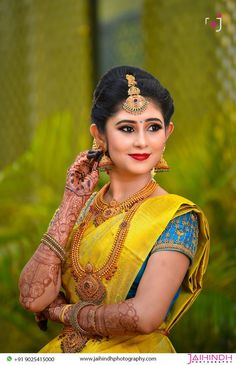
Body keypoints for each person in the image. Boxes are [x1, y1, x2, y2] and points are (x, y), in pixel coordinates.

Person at [18, 65, 210, 353]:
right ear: (100, 135)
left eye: (153, 127)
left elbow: (145, 316)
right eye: (126, 129)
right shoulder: (80, 210)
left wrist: (62, 313)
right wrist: (70, 203)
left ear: (167, 132)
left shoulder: (175, 216)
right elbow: (33, 298)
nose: (142, 141)